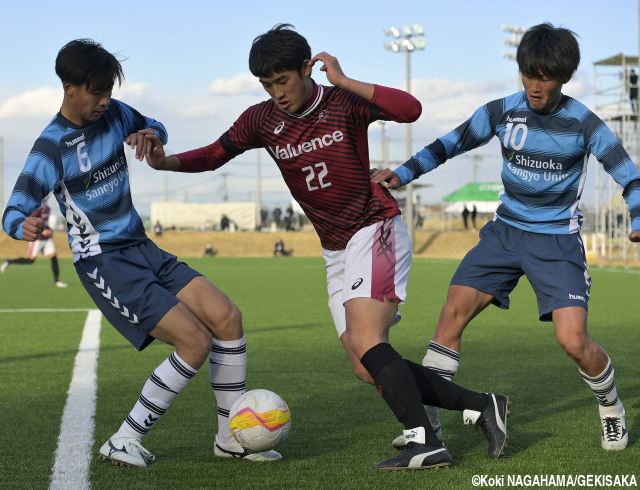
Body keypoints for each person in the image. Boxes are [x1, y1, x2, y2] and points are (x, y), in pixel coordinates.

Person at [142, 23, 509, 470]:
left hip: (375, 229)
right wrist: (165, 163)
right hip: (334, 248)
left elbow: (410, 109)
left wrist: (345, 80)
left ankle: (426, 442)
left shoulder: (342, 101)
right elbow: (214, 154)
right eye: (266, 84)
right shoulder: (261, 119)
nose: (276, 92)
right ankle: (483, 406)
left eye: (283, 80)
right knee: (363, 363)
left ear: (306, 68)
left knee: (368, 339)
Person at [2, 38, 280, 468]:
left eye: (108, 90)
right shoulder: (50, 148)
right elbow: (13, 209)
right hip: (104, 261)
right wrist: (23, 225)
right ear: (68, 87)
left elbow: (156, 125)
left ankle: (229, 438)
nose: (104, 100)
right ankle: (124, 437)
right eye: (96, 91)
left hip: (143, 246)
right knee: (194, 341)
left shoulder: (114, 113)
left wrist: (152, 135)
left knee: (227, 316)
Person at [372, 22, 638, 451]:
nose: (535, 85)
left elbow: (630, 177)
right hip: (504, 234)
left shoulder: (586, 124)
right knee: (451, 314)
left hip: (556, 242)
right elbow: (449, 144)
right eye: (528, 74)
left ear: (564, 77)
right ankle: (429, 428)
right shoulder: (502, 111)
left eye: (545, 77)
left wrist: (637, 215)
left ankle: (611, 408)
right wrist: (402, 173)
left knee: (574, 342)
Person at [1, 203, 68, 287]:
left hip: (46, 239)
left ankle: (57, 281)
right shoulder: (37, 208)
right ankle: (9, 261)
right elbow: (31, 220)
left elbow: (45, 223)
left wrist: (50, 230)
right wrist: (42, 231)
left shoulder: (48, 208)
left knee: (54, 258)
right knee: (30, 260)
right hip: (37, 238)